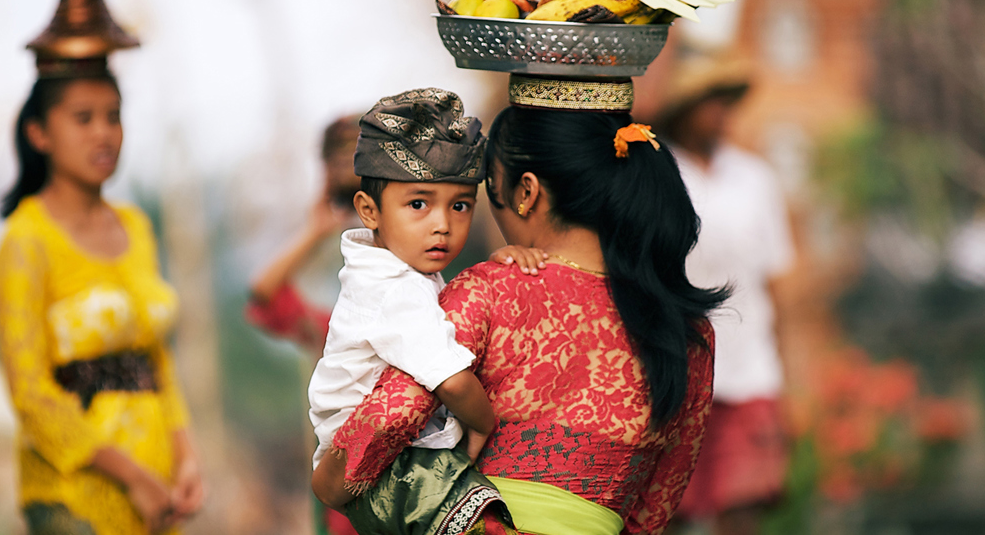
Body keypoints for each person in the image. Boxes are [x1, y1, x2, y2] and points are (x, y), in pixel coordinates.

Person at [312, 76, 729, 535]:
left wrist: (330, 484)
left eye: (478, 199)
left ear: (525, 192)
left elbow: (393, 414)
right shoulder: (689, 332)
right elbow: (654, 509)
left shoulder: (490, 291)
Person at [0, 0, 204, 533]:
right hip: (75, 496)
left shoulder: (134, 226)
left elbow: (157, 360)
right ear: (39, 133)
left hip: (157, 487)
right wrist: (129, 475)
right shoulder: (25, 243)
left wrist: (184, 456)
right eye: (83, 118)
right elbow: (31, 397)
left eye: (114, 115)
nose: (104, 133)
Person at [309, 88, 505, 534]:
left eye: (459, 206)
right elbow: (453, 382)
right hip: (382, 470)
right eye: (418, 204)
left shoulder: (396, 268)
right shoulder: (391, 287)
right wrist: (483, 423)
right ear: (369, 211)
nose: (442, 224)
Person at [655, 58, 794, 535]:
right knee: (670, 506)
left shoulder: (755, 178)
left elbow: (775, 280)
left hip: (750, 365)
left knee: (744, 501)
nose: (719, 113)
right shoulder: (656, 174)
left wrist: (789, 373)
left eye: (724, 102)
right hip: (676, 364)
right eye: (708, 102)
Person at [246, 115, 361, 355]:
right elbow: (265, 294)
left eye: (354, 146)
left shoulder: (413, 242)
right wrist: (315, 232)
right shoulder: (338, 244)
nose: (344, 156)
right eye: (334, 150)